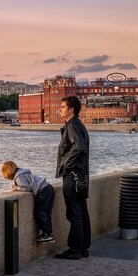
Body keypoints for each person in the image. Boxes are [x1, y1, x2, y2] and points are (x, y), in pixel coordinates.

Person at [55, 95, 91, 260]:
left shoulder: (72, 126)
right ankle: (83, 247)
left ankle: (75, 249)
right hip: (81, 176)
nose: (60, 110)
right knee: (82, 212)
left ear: (71, 109)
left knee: (74, 213)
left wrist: (65, 166)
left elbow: (79, 148)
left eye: (62, 107)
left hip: (73, 177)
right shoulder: (78, 125)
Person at [1, 160, 55, 243]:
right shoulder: (22, 173)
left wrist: (16, 187)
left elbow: (26, 188)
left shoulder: (19, 177)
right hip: (47, 188)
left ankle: (47, 235)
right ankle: (48, 234)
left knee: (40, 212)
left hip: (42, 191)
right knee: (46, 212)